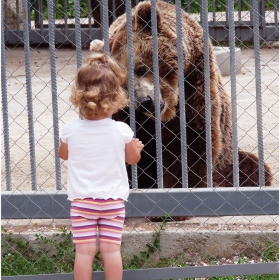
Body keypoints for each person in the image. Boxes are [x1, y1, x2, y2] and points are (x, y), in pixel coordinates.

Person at [58, 54, 144, 280]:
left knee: (84, 252)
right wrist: (136, 147)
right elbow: (132, 160)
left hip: (82, 202)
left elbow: (63, 155)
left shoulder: (70, 130)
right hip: (113, 202)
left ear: (80, 97)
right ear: (116, 98)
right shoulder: (122, 131)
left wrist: (68, 144)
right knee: (111, 250)